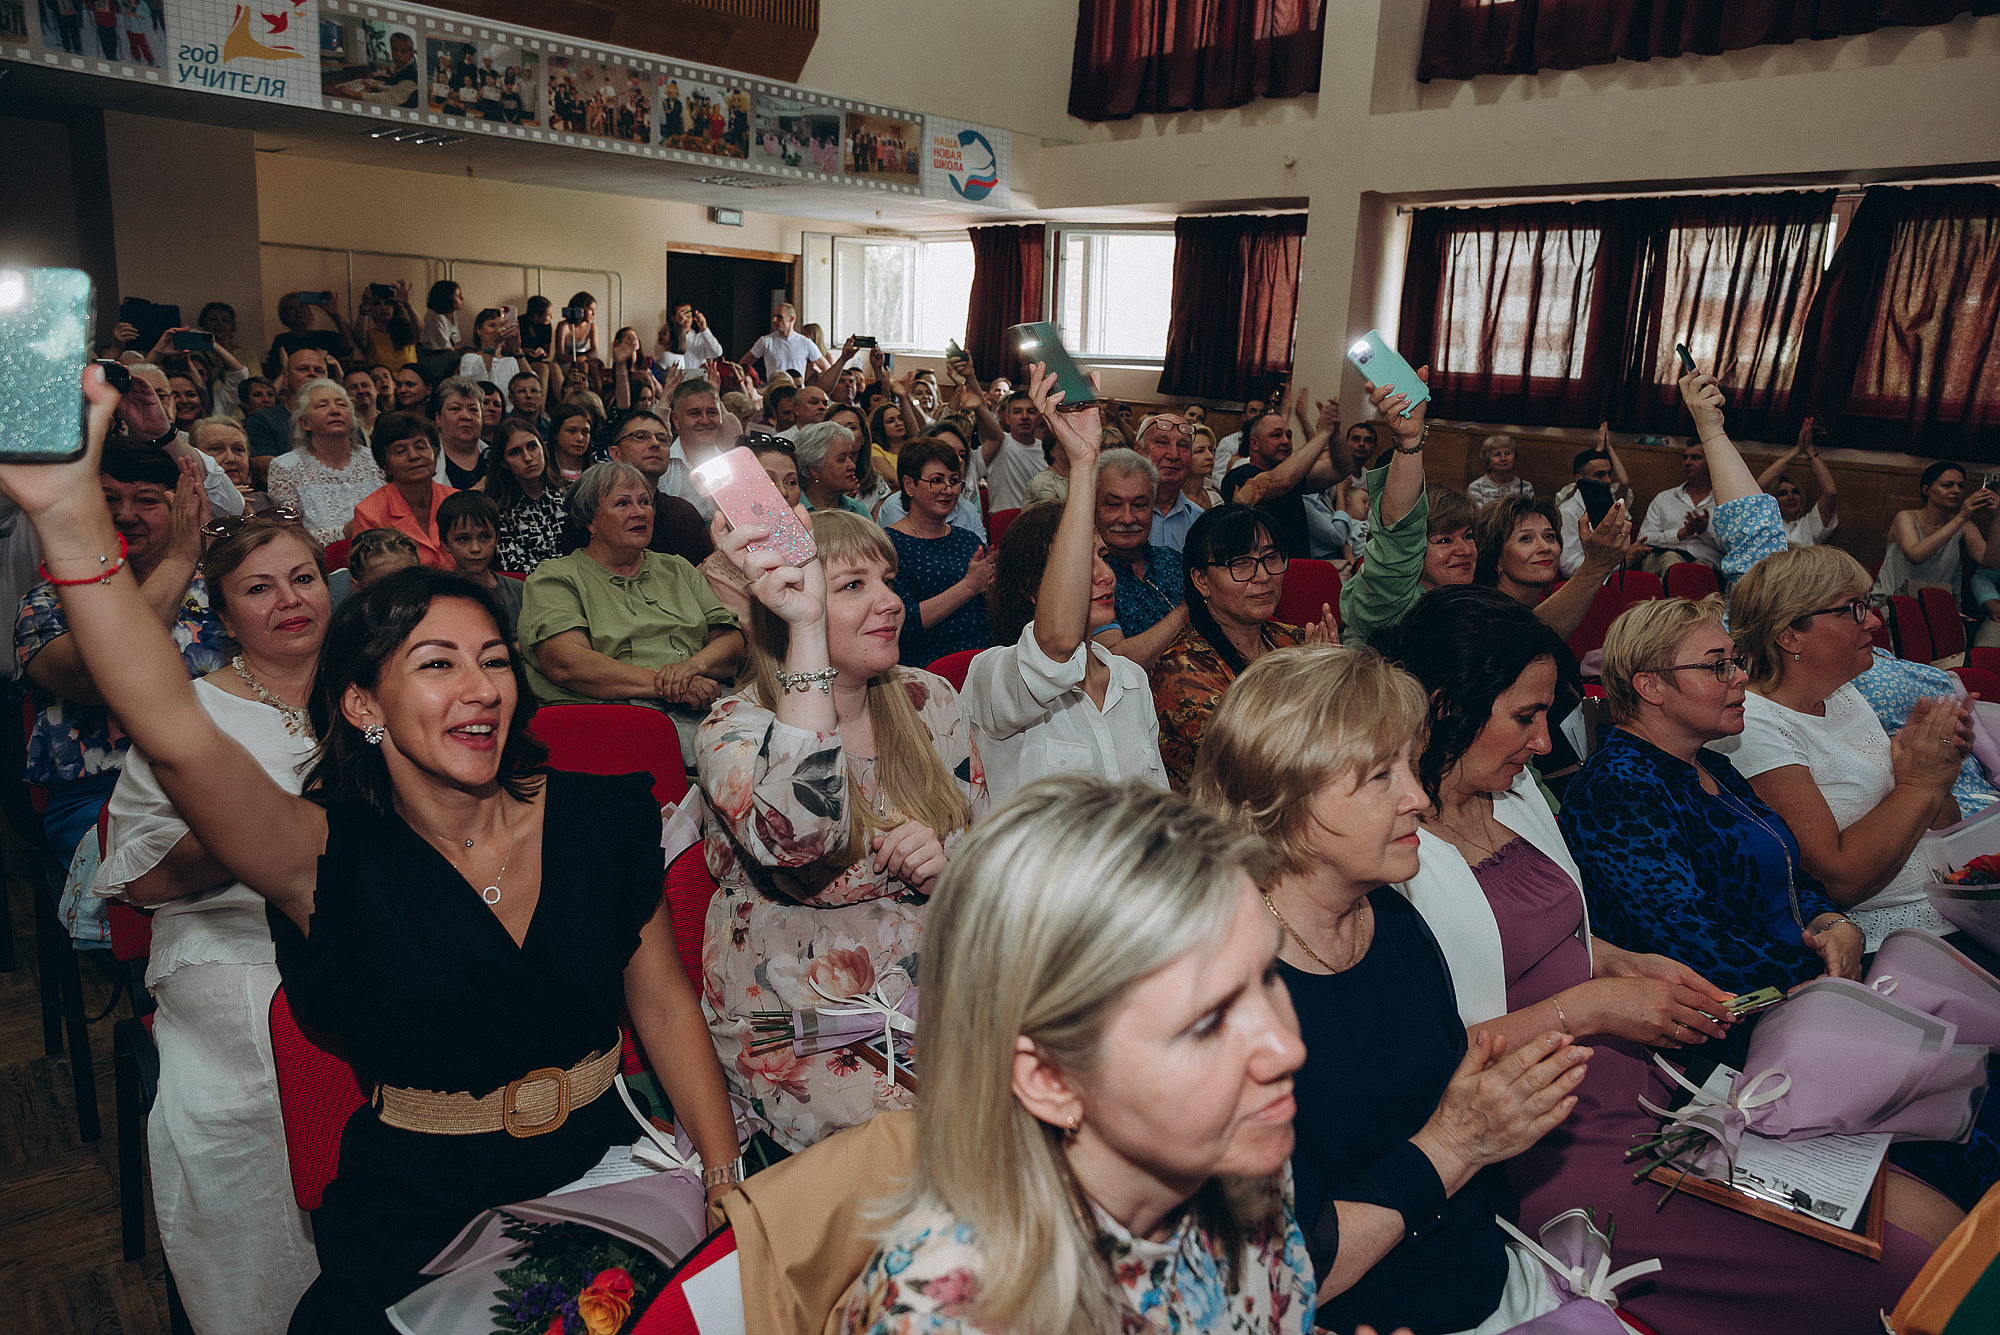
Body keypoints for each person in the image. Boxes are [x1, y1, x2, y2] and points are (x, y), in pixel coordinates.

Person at [1, 369, 743, 1332]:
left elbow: (665, 1003)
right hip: (421, 1205)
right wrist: (68, 522)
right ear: (362, 705)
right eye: (436, 665)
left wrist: (726, 1177)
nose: (480, 689)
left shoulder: (597, 816)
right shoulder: (323, 853)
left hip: (611, 1162)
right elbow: (174, 728)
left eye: (492, 661)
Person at [1382, 587, 1947, 1332]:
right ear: (1446, 706)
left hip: (1651, 1086)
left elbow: (1561, 936)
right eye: (1525, 717)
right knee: (1896, 1273)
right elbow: (1423, 1064)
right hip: (1545, 1145)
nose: (1547, 744)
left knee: (1931, 1224)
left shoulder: (1513, 794)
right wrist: (1584, 1006)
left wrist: (1623, 961)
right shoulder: (1397, 848)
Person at [1189, 645, 1591, 1335]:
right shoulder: (1221, 994)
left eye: (1410, 764)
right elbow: (1288, 1273)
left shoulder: (1392, 914)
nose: (1420, 796)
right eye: (1380, 775)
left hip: (1489, 1279)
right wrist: (1458, 1142)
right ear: (1281, 798)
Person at [840, 777, 1312, 1335]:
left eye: (1270, 975)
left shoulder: (1244, 1161)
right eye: (1208, 1023)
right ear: (1049, 1078)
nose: (1288, 1049)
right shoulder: (944, 1315)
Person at [90, 513, 330, 1334]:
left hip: (377, 914)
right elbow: (139, 877)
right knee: (273, 1053)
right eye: (258, 588)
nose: (289, 599)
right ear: (224, 617)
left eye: (302, 577)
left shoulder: (380, 688)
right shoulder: (192, 715)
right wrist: (257, 825)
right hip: (228, 935)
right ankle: (273, 1306)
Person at [697, 507, 982, 1151]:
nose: (891, 602)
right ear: (789, 603)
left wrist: (947, 865)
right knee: (919, 1138)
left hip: (928, 986)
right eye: (852, 585)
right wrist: (805, 636)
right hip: (797, 1015)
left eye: (887, 579)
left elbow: (983, 850)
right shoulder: (736, 728)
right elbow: (800, 839)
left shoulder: (926, 698)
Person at [1712, 544, 1973, 949]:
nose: (1873, 621)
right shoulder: (1752, 726)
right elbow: (1836, 883)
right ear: (1789, 635)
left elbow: (1940, 827)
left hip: (1950, 910)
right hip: (1880, 942)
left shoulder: (1842, 695)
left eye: (1868, 604)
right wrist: (1919, 784)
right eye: (1853, 608)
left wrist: (1937, 760)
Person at [17, 444, 231, 865]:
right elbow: (92, 679)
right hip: (100, 795)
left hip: (222, 779)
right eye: (108, 499)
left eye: (147, 500)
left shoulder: (230, 591)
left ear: (183, 508)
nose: (125, 514)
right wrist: (180, 558)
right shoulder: (47, 601)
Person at [964, 372, 1165, 801]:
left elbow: (1157, 810)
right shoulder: (992, 674)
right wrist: (1085, 464)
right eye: (1078, 563)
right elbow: (1055, 643)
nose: (1104, 575)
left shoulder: (1130, 680)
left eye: (1102, 557)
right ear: (1032, 589)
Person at [519, 461, 743, 761]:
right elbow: (567, 664)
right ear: (590, 521)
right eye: (622, 503)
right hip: (612, 719)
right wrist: (669, 685)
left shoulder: (677, 568)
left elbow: (732, 644)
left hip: (701, 703)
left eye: (645, 502)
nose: (639, 512)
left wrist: (691, 669)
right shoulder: (555, 577)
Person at [1150, 505, 1325, 793]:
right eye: (1241, 563)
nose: (1263, 576)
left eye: (1271, 558)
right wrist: (1314, 689)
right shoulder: (1181, 672)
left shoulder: (1296, 640)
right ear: (1201, 580)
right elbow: (1251, 775)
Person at [886, 439, 994, 666]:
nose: (948, 489)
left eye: (954, 481)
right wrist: (969, 586)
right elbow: (903, 621)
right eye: (937, 481)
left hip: (982, 661)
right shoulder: (889, 545)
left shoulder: (968, 539)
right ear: (909, 485)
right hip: (927, 667)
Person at [1092, 449, 1190, 668]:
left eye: (1139, 505)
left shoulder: (1173, 560)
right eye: (1113, 504)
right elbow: (1114, 662)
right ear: (1091, 507)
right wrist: (1189, 607)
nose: (1128, 518)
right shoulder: (1090, 578)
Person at [1222, 396, 1351, 560]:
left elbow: (1342, 469)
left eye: (1289, 435)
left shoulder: (1294, 477)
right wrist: (1322, 433)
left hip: (1298, 572)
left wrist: (1335, 432)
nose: (1285, 441)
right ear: (1254, 443)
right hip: (1259, 572)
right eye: (1276, 435)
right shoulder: (1239, 475)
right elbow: (1282, 481)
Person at [264, 380, 384, 546]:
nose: (335, 411)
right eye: (322, 406)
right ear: (304, 422)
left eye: (342, 404)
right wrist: (342, 532)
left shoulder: (375, 459)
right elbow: (286, 535)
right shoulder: (285, 467)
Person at [600, 408, 715, 566]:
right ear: (616, 454)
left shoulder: (685, 514)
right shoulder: (596, 511)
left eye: (662, 439)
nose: (655, 444)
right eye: (641, 437)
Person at [1873, 460, 1997, 600]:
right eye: (1947, 485)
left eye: (1960, 486)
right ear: (1927, 490)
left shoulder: (1965, 525)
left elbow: (1989, 563)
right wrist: (1961, 517)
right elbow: (1916, 555)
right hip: (1896, 603)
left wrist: (1997, 517)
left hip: (1939, 608)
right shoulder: (1906, 517)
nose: (1956, 491)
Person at [349, 413, 456, 567]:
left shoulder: (456, 500)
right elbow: (372, 577)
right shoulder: (369, 514)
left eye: (420, 447)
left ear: (436, 453)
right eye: (400, 451)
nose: (414, 456)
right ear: (385, 465)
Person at [485, 417, 567, 574]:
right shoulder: (497, 511)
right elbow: (515, 567)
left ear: (543, 448)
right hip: (531, 589)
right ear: (503, 463)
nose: (528, 458)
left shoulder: (569, 493)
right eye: (515, 452)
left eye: (532, 446)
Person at [437, 490, 521, 639]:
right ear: (445, 543)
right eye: (463, 539)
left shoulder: (519, 592)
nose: (476, 548)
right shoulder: (438, 597)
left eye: (485, 537)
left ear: (497, 538)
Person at [1638, 440, 1724, 575]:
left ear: (1711, 463)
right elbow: (1643, 538)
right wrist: (1678, 534)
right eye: (1685, 457)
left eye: (1695, 457)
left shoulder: (1722, 502)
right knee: (1672, 562)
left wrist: (1705, 531)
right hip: (1664, 557)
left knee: (1701, 569)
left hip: (1706, 562)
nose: (1688, 462)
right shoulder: (1664, 498)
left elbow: (1731, 548)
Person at [1553, 431, 1632, 578]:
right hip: (1585, 584)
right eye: (1600, 475)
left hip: (1609, 577)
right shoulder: (1567, 511)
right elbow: (1568, 566)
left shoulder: (1608, 502)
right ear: (1579, 479)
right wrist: (1623, 559)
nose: (1608, 481)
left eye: (1609, 474)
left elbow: (1625, 482)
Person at [1756, 415, 1839, 549]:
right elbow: (1759, 487)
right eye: (1783, 493)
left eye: (1795, 492)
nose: (1791, 497)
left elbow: (1830, 492)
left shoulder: (1809, 525)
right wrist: (1796, 450)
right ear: (1774, 499)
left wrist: (1809, 450)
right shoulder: (1766, 522)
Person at [1473, 496, 1563, 607]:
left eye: (1549, 536)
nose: (1545, 547)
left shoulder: (1555, 608)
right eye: (1525, 538)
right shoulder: (1483, 617)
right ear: (1496, 559)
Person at [189, 416, 273, 512]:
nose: (231, 458)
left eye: (238, 449)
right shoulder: (183, 504)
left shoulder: (269, 503)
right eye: (216, 448)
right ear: (194, 456)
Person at [979, 390, 1044, 514]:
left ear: (1039, 418)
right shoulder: (998, 443)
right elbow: (981, 413)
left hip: (1037, 521)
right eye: (1017, 411)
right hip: (1002, 522)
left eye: (1030, 411)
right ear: (1007, 419)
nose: (1024, 417)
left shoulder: (1047, 451)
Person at [794, 420, 870, 516]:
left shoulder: (857, 510)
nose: (852, 466)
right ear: (815, 469)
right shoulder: (792, 510)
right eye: (842, 459)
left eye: (850, 457)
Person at [430, 375, 489, 490]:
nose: (466, 416)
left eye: (473, 409)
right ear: (438, 418)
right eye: (455, 409)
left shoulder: (497, 455)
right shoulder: (423, 461)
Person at [744, 303, 817, 382]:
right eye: (774, 316)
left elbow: (825, 367)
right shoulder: (765, 341)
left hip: (797, 392)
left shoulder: (805, 343)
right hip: (773, 391)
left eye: (779, 317)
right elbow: (743, 364)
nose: (774, 320)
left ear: (792, 319)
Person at [457, 307, 523, 390]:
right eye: (492, 325)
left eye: (502, 327)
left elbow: (531, 385)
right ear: (479, 329)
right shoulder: (469, 358)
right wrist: (492, 345)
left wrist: (517, 351)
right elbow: (475, 385)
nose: (498, 330)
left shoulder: (511, 361)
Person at [1466, 434, 1533, 508]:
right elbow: (1478, 517)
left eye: (1507, 453)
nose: (1503, 458)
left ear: (1515, 458)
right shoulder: (1477, 487)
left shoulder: (1525, 487)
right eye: (1497, 454)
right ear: (1488, 461)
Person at [659, 302, 722, 373]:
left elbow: (717, 352)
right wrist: (678, 326)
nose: (686, 317)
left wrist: (704, 329)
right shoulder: (668, 337)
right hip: (675, 381)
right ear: (674, 317)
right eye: (682, 313)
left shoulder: (701, 338)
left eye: (688, 313)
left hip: (697, 380)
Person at [547, 402, 594, 484]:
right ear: (556, 434)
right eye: (572, 431)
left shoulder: (596, 475)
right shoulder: (544, 474)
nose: (580, 438)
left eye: (585, 432)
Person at [1186, 424, 1224, 510]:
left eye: (1210, 450)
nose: (1210, 456)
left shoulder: (1215, 499)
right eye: (1200, 451)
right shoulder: (1171, 500)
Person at [420, 280, 462, 351]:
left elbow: (455, 343)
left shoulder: (452, 313)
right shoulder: (434, 316)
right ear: (446, 298)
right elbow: (445, 348)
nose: (462, 298)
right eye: (457, 295)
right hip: (434, 355)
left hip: (449, 354)